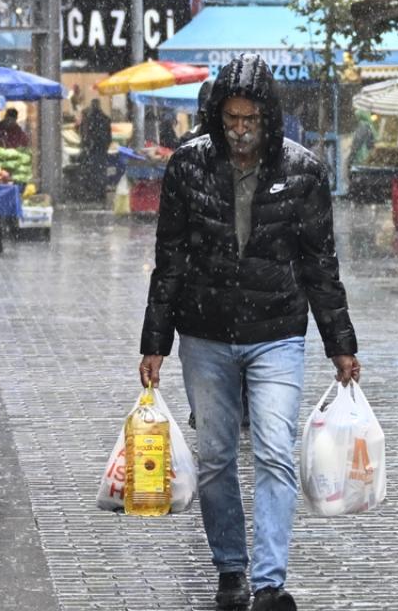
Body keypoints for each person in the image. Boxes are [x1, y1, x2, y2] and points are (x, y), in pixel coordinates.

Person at [138, 53, 360, 611]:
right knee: (214, 457)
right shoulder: (187, 167)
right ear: (218, 116)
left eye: (250, 121)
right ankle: (231, 570)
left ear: (268, 118)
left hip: (278, 333)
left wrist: (341, 344)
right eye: (231, 119)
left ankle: (269, 582)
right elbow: (170, 258)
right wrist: (154, 343)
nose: (240, 131)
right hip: (205, 333)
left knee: (274, 452)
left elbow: (320, 263)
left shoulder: (303, 171)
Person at [79, 99, 112, 199]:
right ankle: (100, 191)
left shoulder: (90, 119)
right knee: (100, 170)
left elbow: (85, 134)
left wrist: (87, 145)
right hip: (100, 149)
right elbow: (108, 136)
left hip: (93, 149)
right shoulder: (105, 118)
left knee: (93, 170)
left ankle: (94, 191)